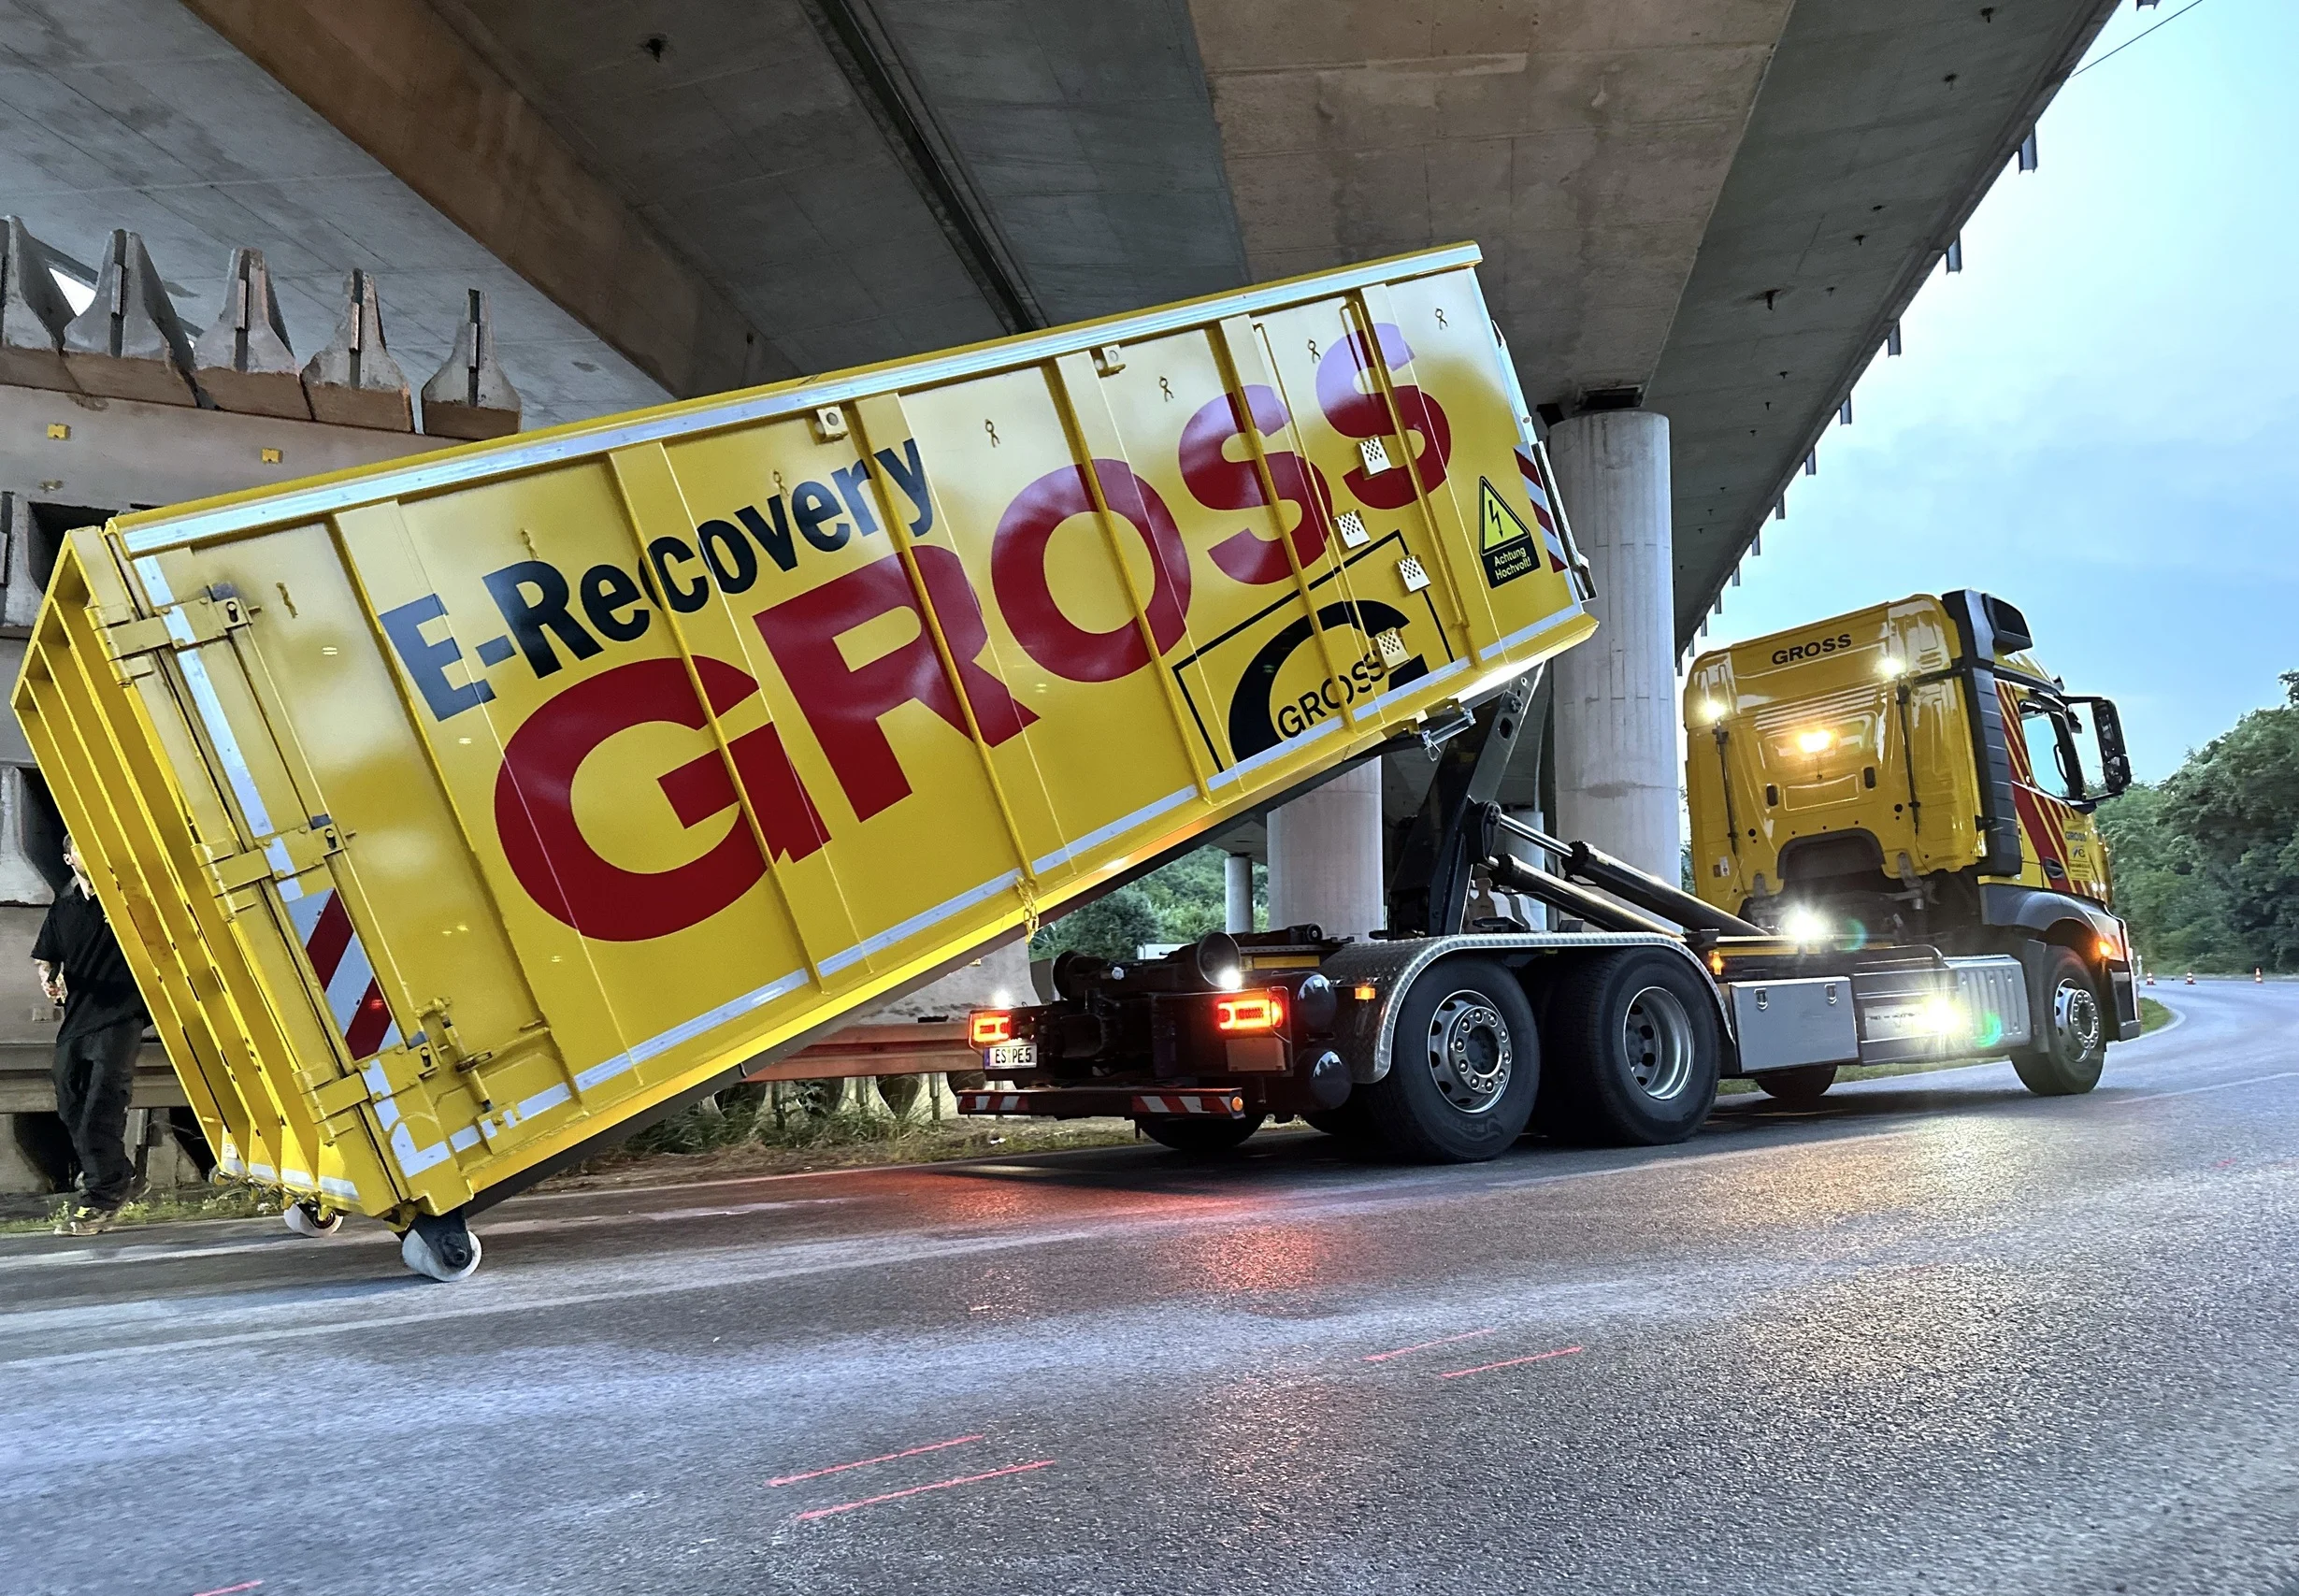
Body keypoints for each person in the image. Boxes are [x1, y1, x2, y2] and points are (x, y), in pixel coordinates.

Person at [32, 835, 149, 1235]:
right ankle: (117, 1174)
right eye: (83, 847)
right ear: (69, 859)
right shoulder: (65, 906)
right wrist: (48, 979)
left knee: (102, 1101)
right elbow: (47, 955)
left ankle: (101, 1196)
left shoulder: (124, 898)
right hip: (78, 1017)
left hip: (123, 1015)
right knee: (70, 1102)